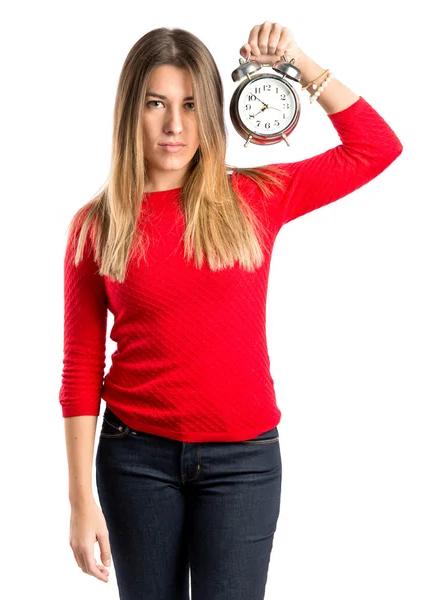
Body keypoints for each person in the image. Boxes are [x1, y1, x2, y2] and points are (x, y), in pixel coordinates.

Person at [59, 22, 403, 600]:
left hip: (244, 463)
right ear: (130, 114)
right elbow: (79, 366)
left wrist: (300, 64)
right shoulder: (97, 226)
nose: (175, 125)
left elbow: (376, 147)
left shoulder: (254, 196)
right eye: (157, 104)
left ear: (213, 113)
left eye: (192, 105)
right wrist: (79, 502)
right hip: (135, 458)